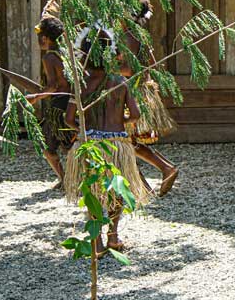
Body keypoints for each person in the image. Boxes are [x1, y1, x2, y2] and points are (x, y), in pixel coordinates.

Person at [64, 31, 155, 256]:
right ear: (111, 54)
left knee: (93, 191)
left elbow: (68, 119)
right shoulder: (120, 83)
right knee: (117, 190)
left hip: (90, 146)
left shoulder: (81, 84)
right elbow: (134, 115)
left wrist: (84, 131)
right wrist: (119, 121)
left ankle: (96, 242)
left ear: (85, 55)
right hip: (117, 144)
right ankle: (113, 235)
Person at [122, 0, 180, 197]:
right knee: (127, 143)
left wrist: (107, 68)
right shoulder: (140, 35)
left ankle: (164, 169)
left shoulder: (129, 36)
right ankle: (144, 186)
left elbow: (130, 69)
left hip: (134, 92)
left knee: (124, 141)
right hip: (141, 89)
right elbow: (152, 64)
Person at [22, 17, 72, 189]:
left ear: (45, 38)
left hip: (58, 106)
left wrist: (36, 97)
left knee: (47, 146)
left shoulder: (49, 58)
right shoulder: (65, 53)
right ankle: (69, 179)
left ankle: (66, 179)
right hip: (70, 103)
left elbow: (53, 85)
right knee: (69, 143)